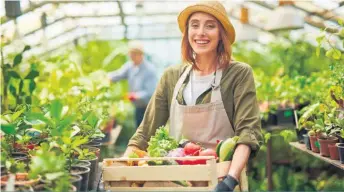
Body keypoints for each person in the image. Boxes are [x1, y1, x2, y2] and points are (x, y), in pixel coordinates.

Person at [123, 1, 263, 191]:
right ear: (187, 32)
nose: (201, 33)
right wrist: (121, 168)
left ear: (221, 34)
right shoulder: (171, 77)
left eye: (210, 26)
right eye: (194, 25)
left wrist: (230, 180)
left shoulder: (238, 74)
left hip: (221, 178)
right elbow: (145, 132)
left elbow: (248, 132)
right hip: (175, 181)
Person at [108, 40, 158, 128]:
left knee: (147, 131)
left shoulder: (149, 70)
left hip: (148, 107)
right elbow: (119, 74)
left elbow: (150, 92)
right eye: (130, 54)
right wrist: (106, 78)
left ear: (141, 55)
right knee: (139, 129)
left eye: (134, 54)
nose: (131, 57)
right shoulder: (130, 66)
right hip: (138, 106)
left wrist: (135, 96)